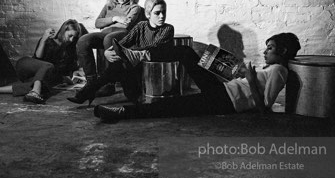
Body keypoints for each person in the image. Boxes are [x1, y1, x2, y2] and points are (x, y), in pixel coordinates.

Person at [94, 33, 301, 121]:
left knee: (172, 105)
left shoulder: (279, 71)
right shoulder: (272, 69)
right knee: (189, 52)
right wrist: (238, 74)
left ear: (283, 51)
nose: (265, 52)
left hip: (225, 101)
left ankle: (121, 111)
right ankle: (137, 58)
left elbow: (264, 108)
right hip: (224, 93)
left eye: (270, 48)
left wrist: (249, 76)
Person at [67, 0, 174, 105]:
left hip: (151, 76)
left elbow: (154, 47)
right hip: (133, 72)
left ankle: (87, 93)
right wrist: (108, 51)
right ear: (148, 14)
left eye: (163, 12)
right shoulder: (141, 26)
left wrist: (130, 52)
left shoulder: (168, 29)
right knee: (116, 67)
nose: (162, 16)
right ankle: (87, 93)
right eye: (157, 13)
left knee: (117, 68)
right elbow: (123, 42)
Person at [0, 19, 84, 104]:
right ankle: (35, 91)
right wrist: (43, 39)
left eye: (74, 38)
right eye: (70, 35)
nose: (71, 40)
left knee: (45, 87)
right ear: (63, 30)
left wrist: (71, 76)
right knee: (48, 66)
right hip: (25, 66)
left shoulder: (69, 50)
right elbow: (38, 57)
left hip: (37, 77)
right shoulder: (50, 40)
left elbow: (67, 70)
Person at [75, 0, 145, 97]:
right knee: (83, 40)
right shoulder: (109, 6)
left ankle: (109, 85)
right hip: (105, 33)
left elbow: (127, 24)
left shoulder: (134, 8)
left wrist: (106, 22)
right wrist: (115, 19)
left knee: (109, 39)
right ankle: (91, 82)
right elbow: (97, 23)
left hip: (122, 33)